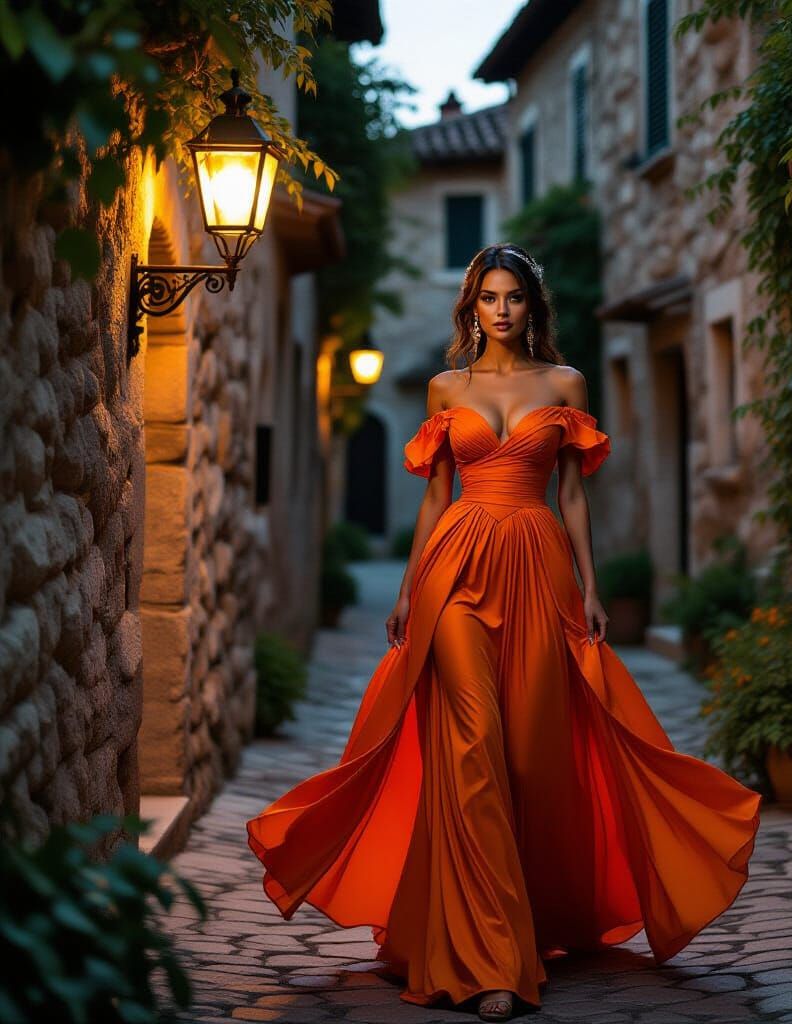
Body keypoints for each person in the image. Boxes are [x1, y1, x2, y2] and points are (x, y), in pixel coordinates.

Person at [246, 243, 762, 1021]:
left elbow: (573, 495)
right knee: (472, 746)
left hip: (539, 569)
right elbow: (435, 496)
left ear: (531, 306)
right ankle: (491, 962)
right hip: (455, 572)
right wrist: (410, 586)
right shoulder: (445, 388)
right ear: (472, 306)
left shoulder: (565, 384)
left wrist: (591, 585)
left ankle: (521, 917)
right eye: (488, 297)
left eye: (513, 296)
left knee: (526, 757)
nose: (501, 309)